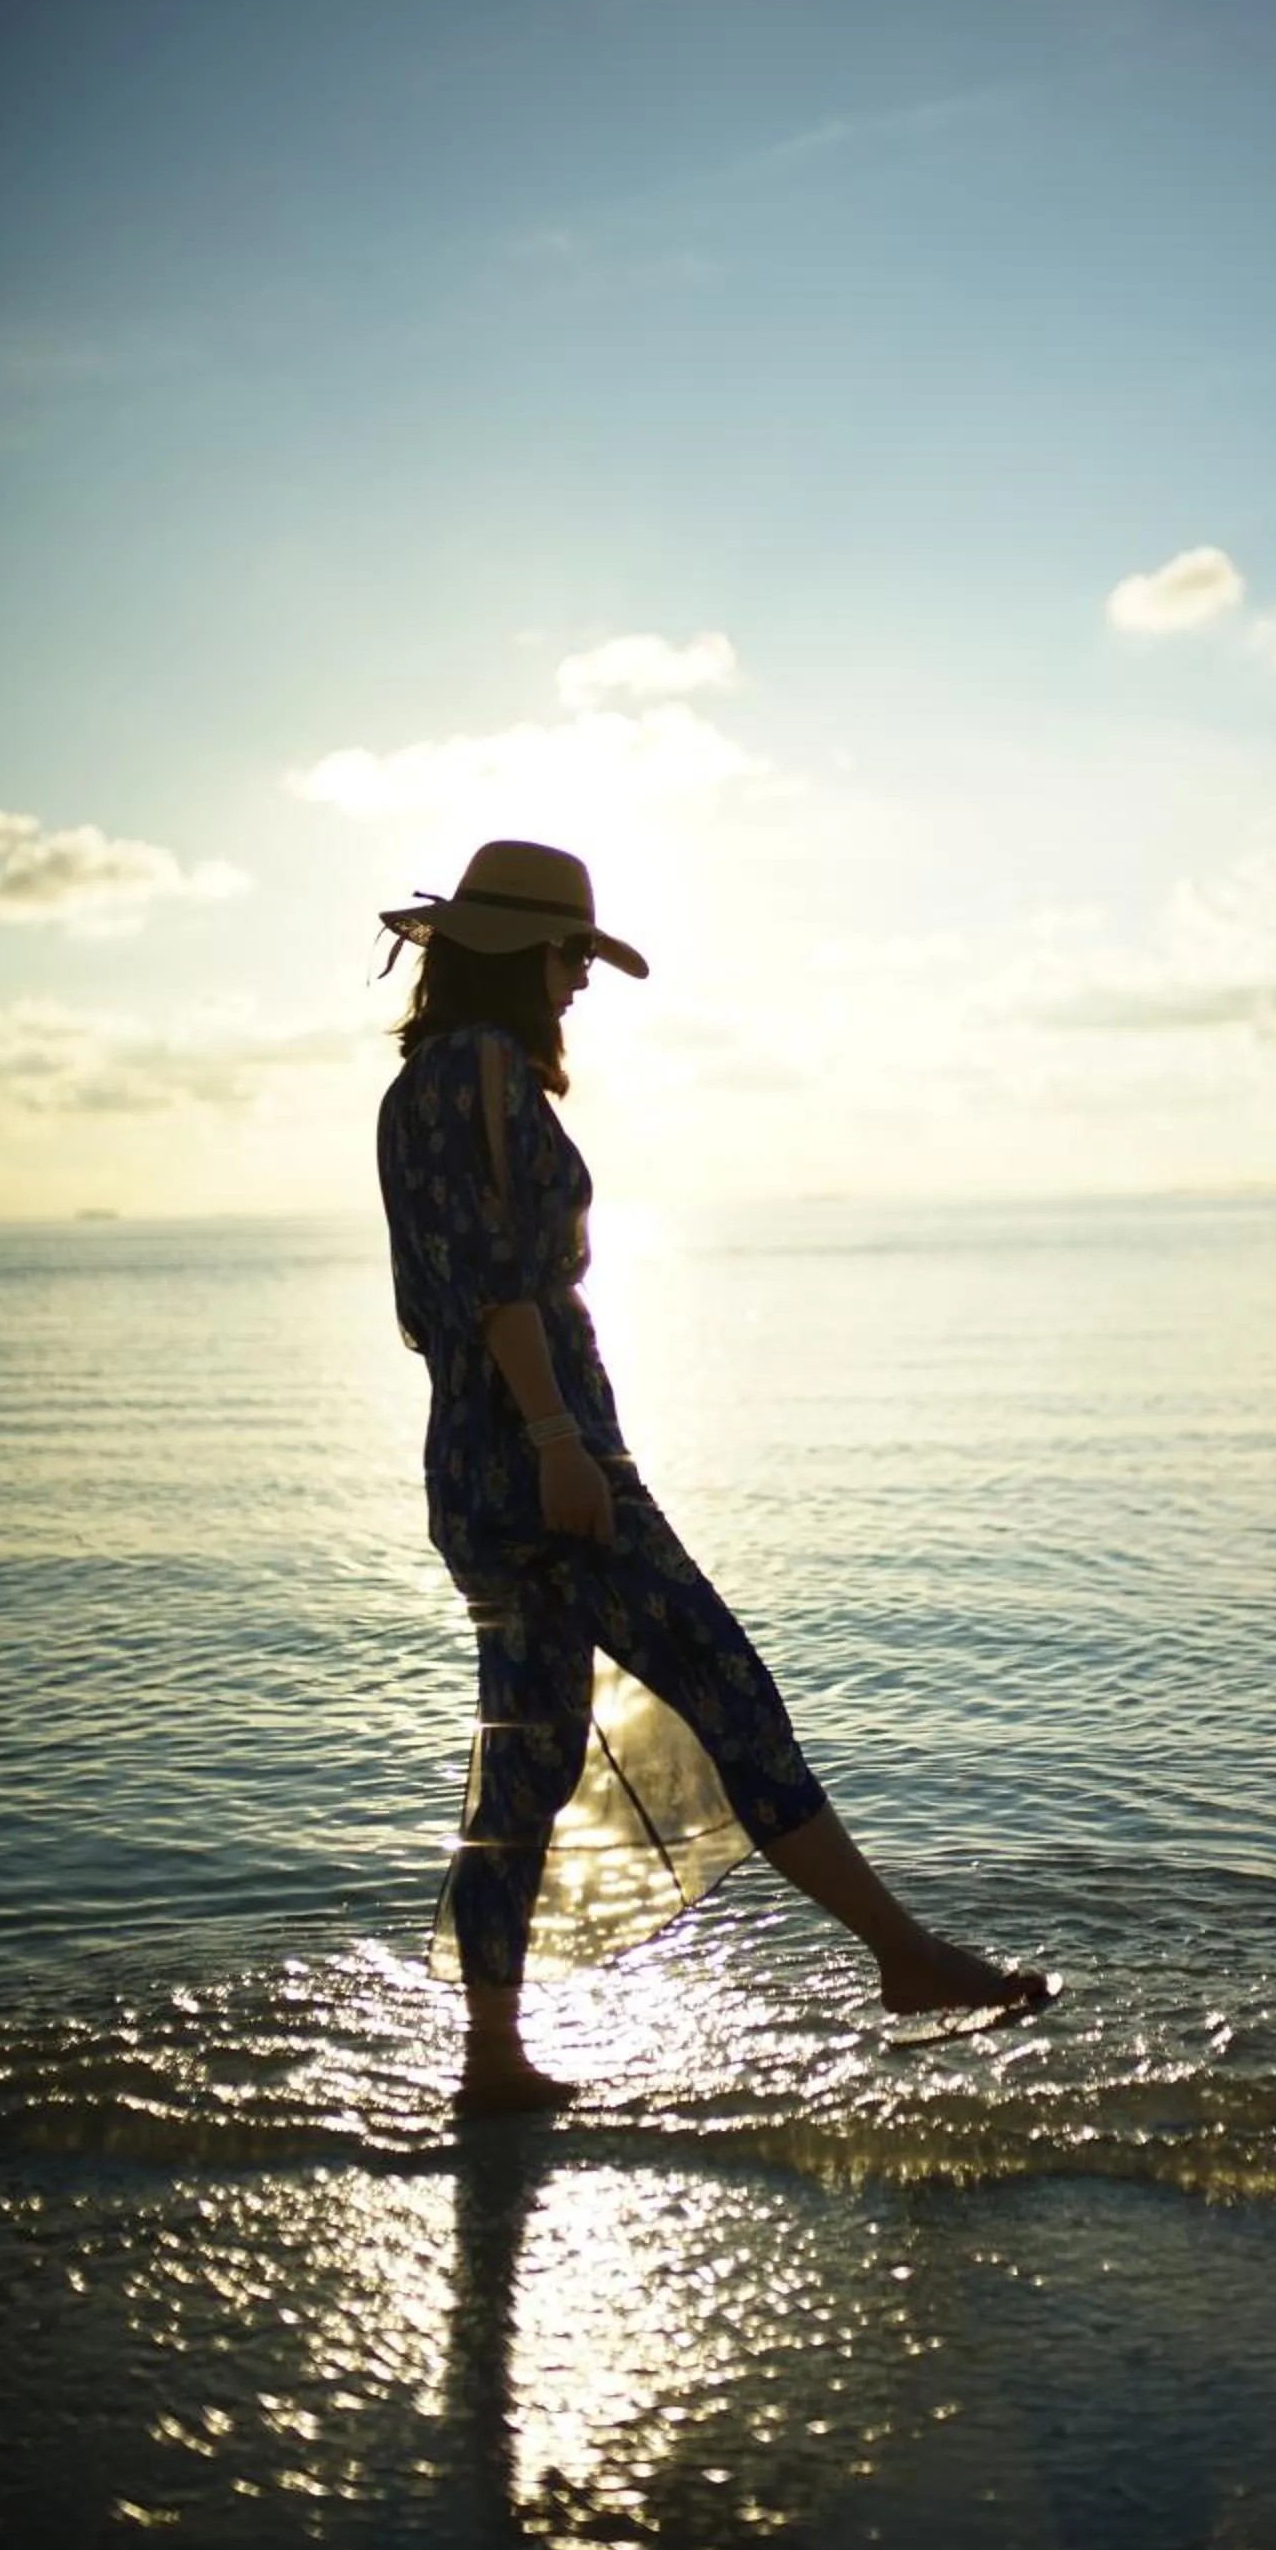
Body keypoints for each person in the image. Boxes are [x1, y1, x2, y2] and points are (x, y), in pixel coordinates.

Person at [377, 838, 1053, 2114]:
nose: (580, 978)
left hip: (474, 1465)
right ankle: (904, 1960)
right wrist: (561, 1443)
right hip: (541, 1460)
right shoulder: (478, 1072)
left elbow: (454, 1293)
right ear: (522, 953)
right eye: (571, 954)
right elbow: (497, 1282)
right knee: (729, 1691)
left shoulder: (421, 1084)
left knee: (526, 1757)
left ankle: (492, 2061)